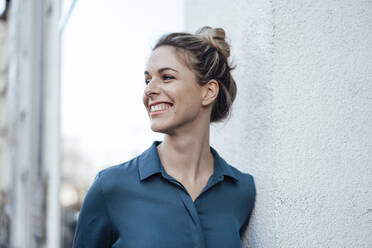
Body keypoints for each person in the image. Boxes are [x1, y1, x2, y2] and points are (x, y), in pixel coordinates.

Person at [72, 26, 256, 248]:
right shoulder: (111, 187)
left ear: (208, 92)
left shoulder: (241, 191)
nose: (149, 90)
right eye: (148, 80)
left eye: (166, 77)